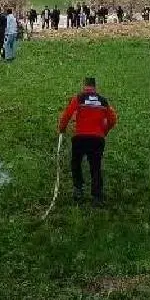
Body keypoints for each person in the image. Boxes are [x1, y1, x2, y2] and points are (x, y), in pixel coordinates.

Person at [57, 77, 118, 205]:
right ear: (95, 87)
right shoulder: (103, 101)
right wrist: (103, 131)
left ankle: (78, 189)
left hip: (80, 137)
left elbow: (67, 114)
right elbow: (113, 119)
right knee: (95, 166)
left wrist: (62, 129)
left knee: (76, 162)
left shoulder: (78, 98)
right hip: (97, 139)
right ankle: (97, 196)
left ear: (84, 86)